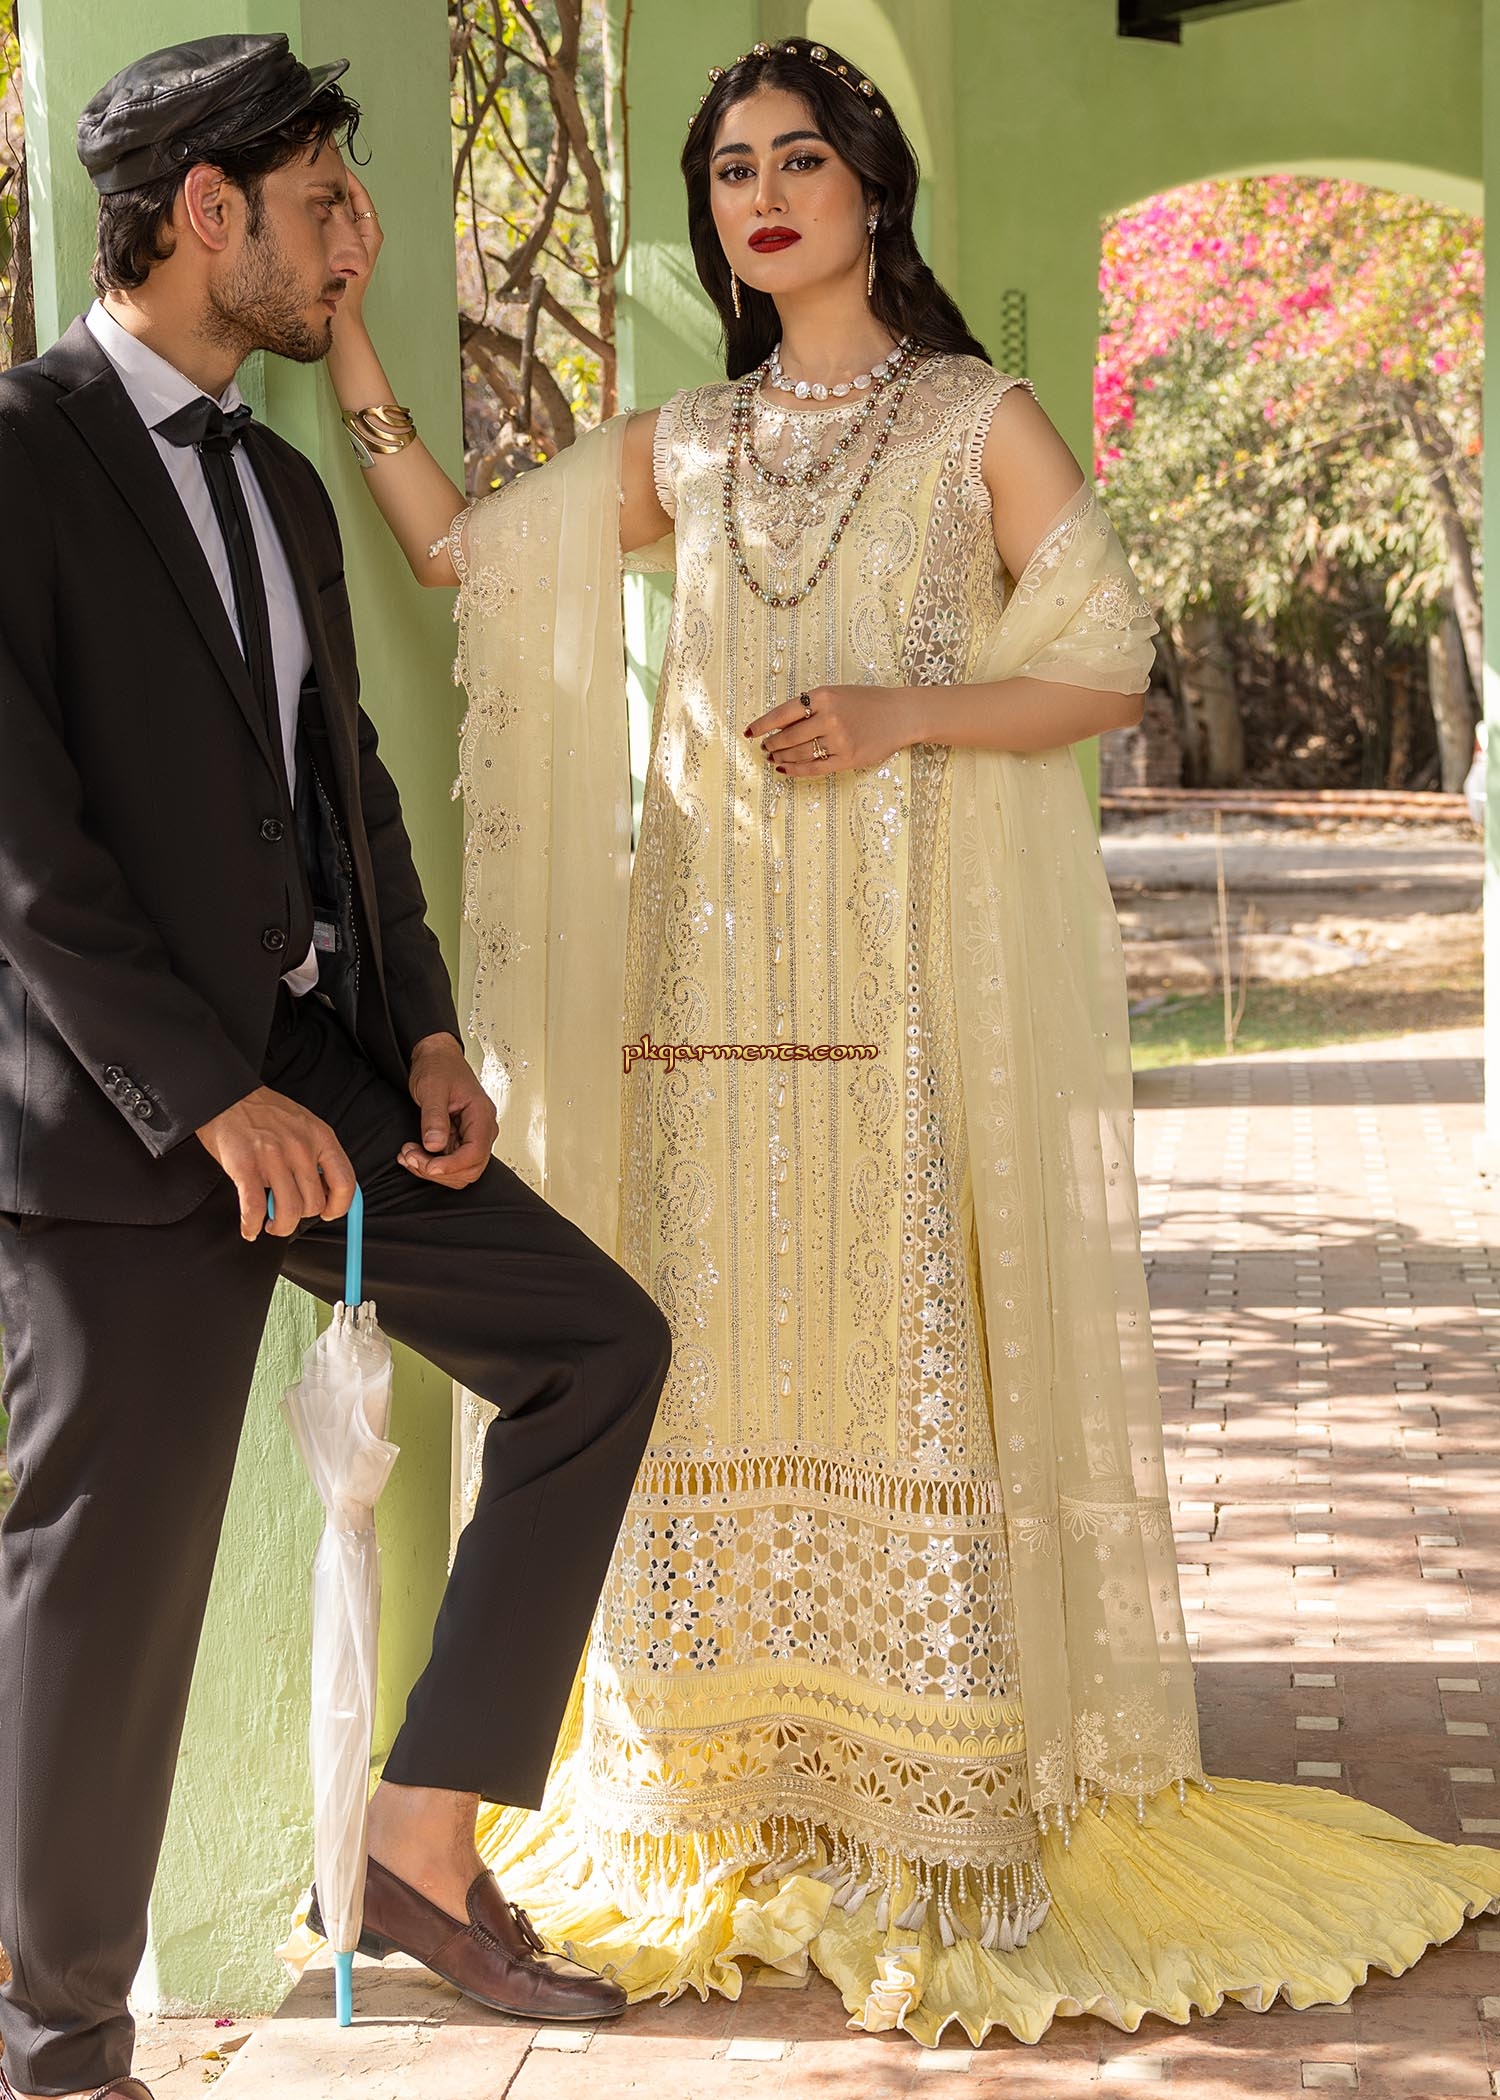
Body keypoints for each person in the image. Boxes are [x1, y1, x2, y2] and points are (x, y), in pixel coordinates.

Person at [321, 32, 1500, 2051]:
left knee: (896, 1346)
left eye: (799, 159)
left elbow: (1109, 654)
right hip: (705, 1012)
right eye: (731, 172)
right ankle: (723, 1780)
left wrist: (901, 715)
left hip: (892, 1001)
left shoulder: (974, 421)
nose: (763, 197)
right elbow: (465, 550)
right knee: (705, 1361)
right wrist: (349, 335)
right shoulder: (693, 445)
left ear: (873, 190)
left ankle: (915, 1805)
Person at [0, 33, 671, 2100]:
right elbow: (22, 846)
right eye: (317, 209)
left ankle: (412, 1850)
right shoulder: (16, 452)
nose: (348, 244)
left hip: (321, 1065)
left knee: (596, 1345)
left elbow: (346, 791)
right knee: (108, 1584)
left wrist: (427, 1030)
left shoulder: (282, 483)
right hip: (121, 1116)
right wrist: (208, 1099)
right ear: (205, 214)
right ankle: (56, 2041)